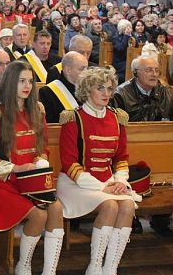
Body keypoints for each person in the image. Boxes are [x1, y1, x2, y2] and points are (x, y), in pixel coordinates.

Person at [0, 61, 64, 275]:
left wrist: (40, 161)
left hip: (31, 180)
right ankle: (23, 265)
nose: (27, 86)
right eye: (21, 81)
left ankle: (49, 270)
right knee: (38, 215)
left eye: (30, 81)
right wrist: (16, 168)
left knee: (56, 209)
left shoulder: (37, 110)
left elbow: (43, 147)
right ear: (9, 82)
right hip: (3, 182)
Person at [58, 67, 136, 275]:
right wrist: (104, 187)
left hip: (108, 180)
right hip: (75, 183)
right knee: (110, 206)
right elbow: (69, 163)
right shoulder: (73, 118)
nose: (106, 93)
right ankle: (94, 266)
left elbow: (121, 158)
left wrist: (120, 181)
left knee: (128, 206)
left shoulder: (117, 118)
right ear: (86, 90)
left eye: (110, 88)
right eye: (100, 88)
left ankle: (110, 268)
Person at [112, 55, 173, 236]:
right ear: (136, 73)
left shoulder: (167, 92)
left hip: (160, 145)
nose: (154, 74)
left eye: (156, 70)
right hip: (130, 147)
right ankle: (131, 217)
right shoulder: (121, 93)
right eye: (149, 70)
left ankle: (160, 218)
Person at [40, 51, 88, 123]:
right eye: (82, 69)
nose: (87, 73)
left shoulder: (89, 89)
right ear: (68, 70)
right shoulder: (47, 92)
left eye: (87, 69)